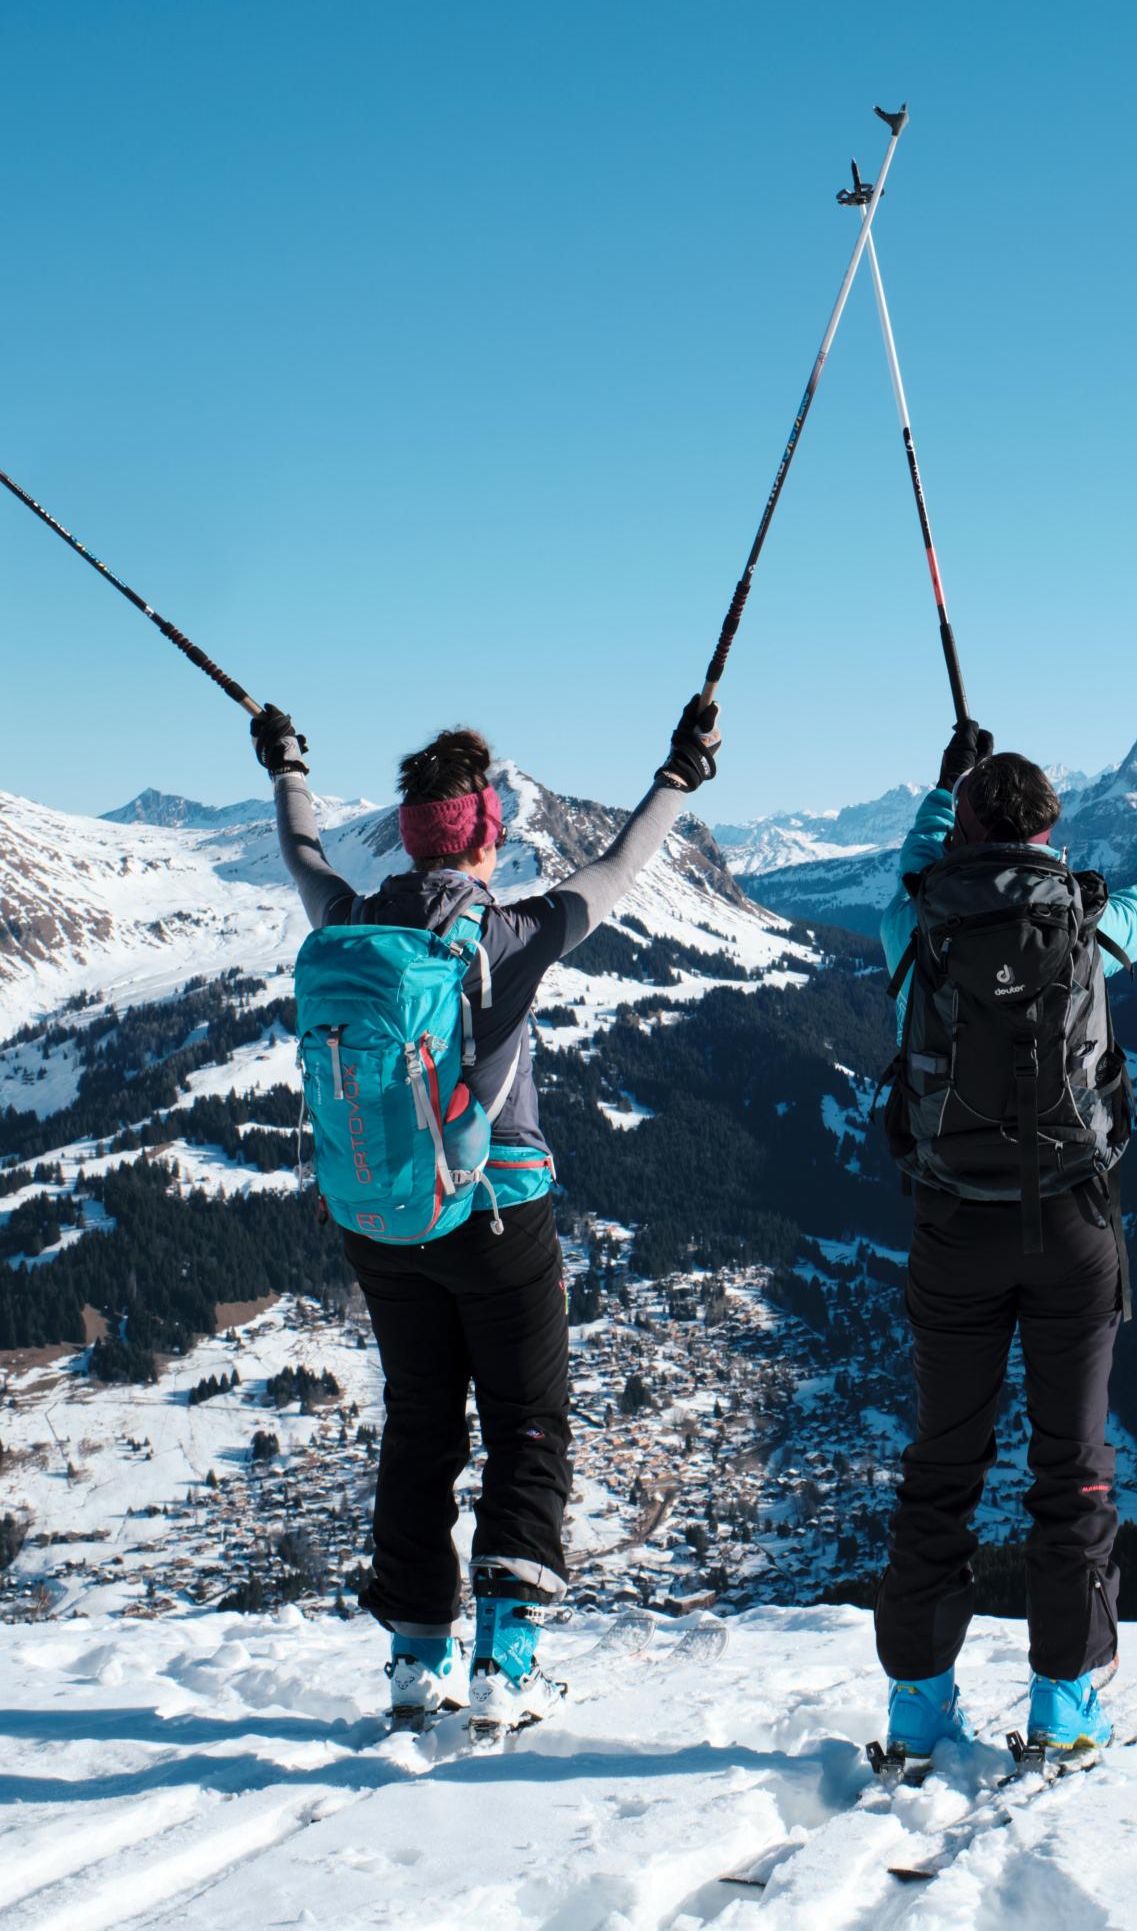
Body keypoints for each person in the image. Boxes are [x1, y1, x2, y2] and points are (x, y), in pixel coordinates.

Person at [250, 693, 721, 1731]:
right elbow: (620, 869)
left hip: (382, 1224)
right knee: (524, 1421)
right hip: (500, 1218)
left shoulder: (352, 924)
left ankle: (418, 1661)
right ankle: (508, 1663)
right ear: (488, 837)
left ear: (408, 834)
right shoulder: (506, 935)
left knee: (421, 1422)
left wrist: (287, 763)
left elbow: (303, 852)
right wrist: (681, 775)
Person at [870, 711, 1137, 1771]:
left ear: (964, 828)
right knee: (1073, 1466)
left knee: (943, 1463)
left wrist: (942, 787)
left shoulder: (915, 924)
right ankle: (1063, 1704)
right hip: (1072, 1220)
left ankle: (921, 1710)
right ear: (1052, 839)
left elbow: (914, 865)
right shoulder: (1086, 920)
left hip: (950, 1227)